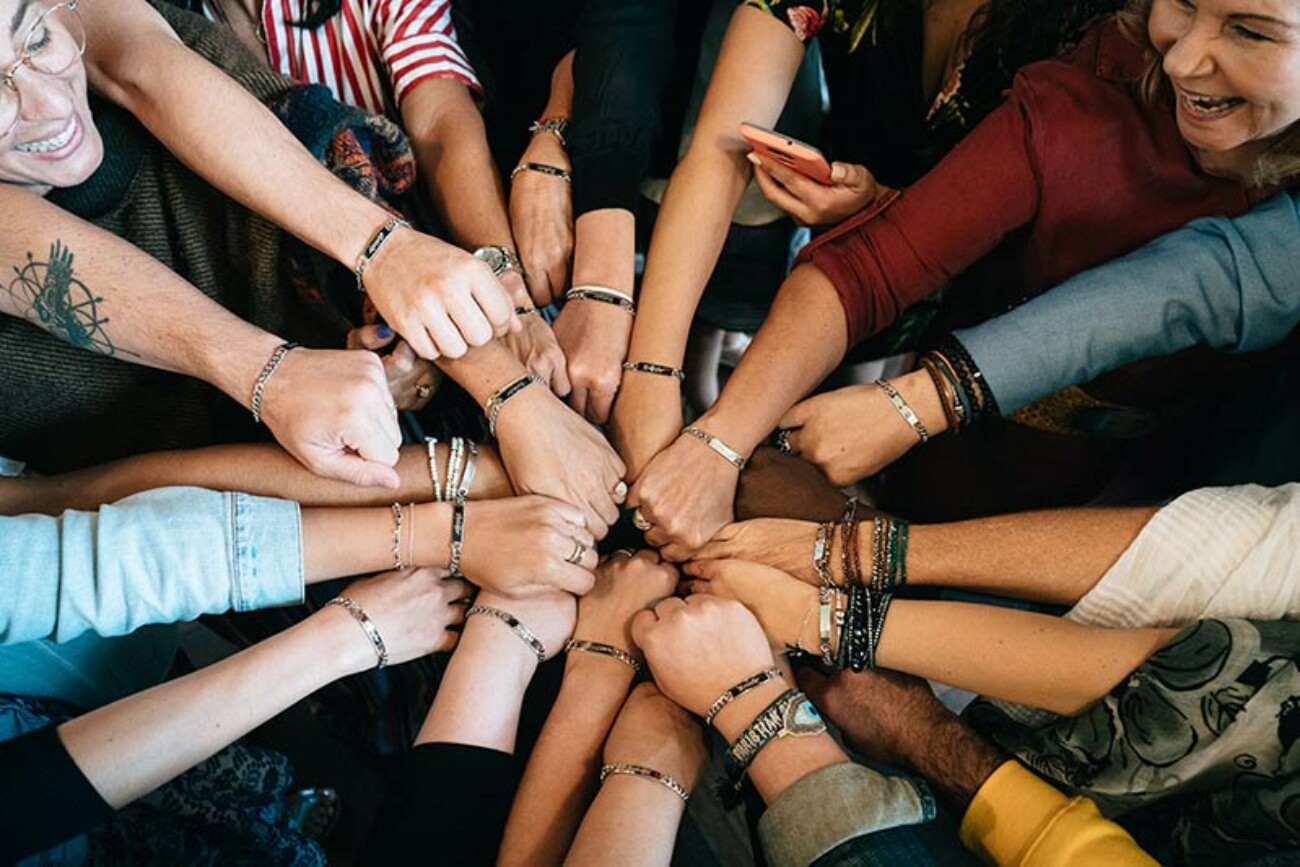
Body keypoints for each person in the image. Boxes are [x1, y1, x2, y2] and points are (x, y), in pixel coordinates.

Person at [630, 0, 1300, 552]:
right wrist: (713, 437)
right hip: (954, 443)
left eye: (1250, 31)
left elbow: (1179, 293)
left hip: (1180, 509)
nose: (1182, 59)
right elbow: (871, 264)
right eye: (1180, 3)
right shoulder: (1092, 91)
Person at [0, 0, 627, 538]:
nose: (49, 102)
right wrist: (462, 477)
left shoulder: (157, 42)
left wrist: (508, 393)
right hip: (242, 545)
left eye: (37, 38)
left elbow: (335, 173)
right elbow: (42, 506)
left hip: (409, 430)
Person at [610, 0, 1123, 479]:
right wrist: (650, 373)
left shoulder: (1092, 28)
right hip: (835, 237)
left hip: (970, 285)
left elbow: (1047, 229)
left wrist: (888, 203)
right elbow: (719, 145)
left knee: (829, 454)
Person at [777, 188, 1300, 488]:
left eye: (1252, 36)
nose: (1183, 60)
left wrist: (921, 403)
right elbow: (1206, 279)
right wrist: (923, 400)